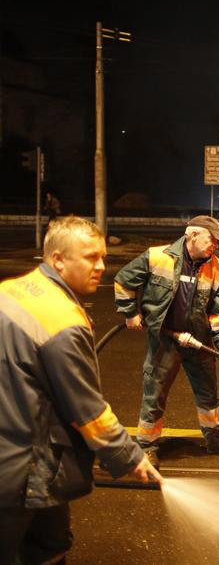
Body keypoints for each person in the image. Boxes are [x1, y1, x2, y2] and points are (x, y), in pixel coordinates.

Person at [0, 216, 161, 564]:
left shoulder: (13, 289)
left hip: (20, 451)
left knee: (52, 542)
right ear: (58, 259)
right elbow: (86, 408)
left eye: (103, 257)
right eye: (90, 258)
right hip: (25, 465)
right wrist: (131, 458)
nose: (101, 266)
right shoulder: (62, 320)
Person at [114, 215, 219, 468]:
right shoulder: (156, 257)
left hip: (199, 340)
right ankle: (147, 446)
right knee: (155, 392)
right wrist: (130, 313)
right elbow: (122, 281)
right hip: (165, 339)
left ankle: (214, 438)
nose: (216, 245)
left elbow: (218, 312)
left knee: (208, 391)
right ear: (193, 235)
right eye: (212, 239)